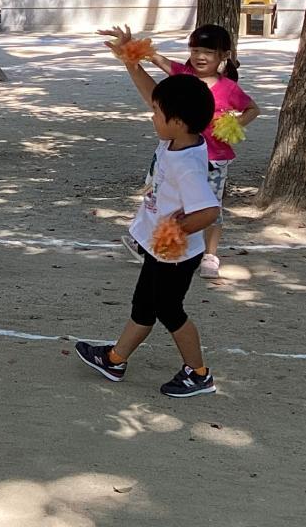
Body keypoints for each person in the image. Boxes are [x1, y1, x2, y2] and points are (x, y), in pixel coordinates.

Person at [75, 29, 220, 397]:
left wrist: (176, 228)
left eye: (157, 113)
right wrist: (131, 60)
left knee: (170, 310)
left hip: (175, 255)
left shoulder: (186, 163)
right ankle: (114, 359)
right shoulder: (177, 137)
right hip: (160, 250)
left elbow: (208, 211)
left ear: (178, 121)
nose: (152, 114)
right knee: (144, 305)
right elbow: (152, 93)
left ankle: (198, 373)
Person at [102, 24, 258, 279]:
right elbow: (155, 71)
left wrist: (233, 125)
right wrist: (130, 53)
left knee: (208, 206)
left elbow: (209, 212)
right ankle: (148, 241)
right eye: (195, 50)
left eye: (208, 51)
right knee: (156, 197)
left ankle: (206, 254)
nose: (200, 56)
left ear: (223, 55)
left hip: (212, 160)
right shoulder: (182, 79)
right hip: (174, 156)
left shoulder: (226, 88)